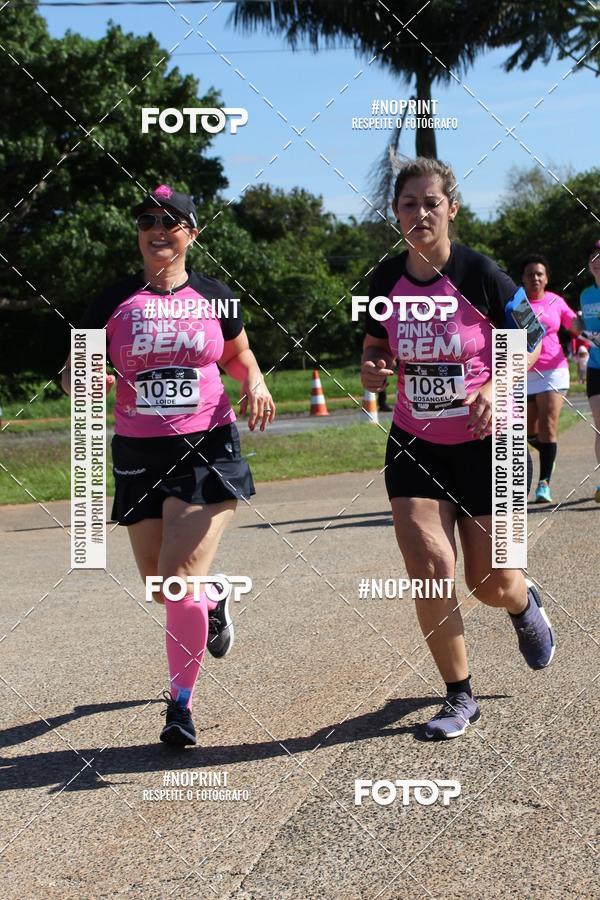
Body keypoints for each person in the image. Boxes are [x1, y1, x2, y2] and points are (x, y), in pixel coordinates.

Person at [61, 185, 275, 747]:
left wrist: (253, 382)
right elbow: (71, 371)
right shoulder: (110, 300)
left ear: (192, 233)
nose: (159, 228)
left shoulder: (215, 297)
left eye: (172, 220)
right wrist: (83, 378)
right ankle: (216, 595)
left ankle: (179, 707)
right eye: (148, 220)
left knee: (177, 584)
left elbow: (238, 354)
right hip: (138, 453)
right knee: (163, 588)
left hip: (207, 447)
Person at [360, 157, 550, 741]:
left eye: (431, 202)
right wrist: (372, 370)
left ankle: (522, 602)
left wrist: (494, 384)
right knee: (429, 569)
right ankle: (458, 695)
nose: (421, 213)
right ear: (396, 214)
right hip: (415, 443)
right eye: (409, 204)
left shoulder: (482, 274)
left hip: (486, 445)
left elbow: (533, 338)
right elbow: (372, 346)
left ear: (452, 208)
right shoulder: (384, 282)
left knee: (490, 583)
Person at [521, 254, 580, 503]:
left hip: (553, 371)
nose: (535, 277)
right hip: (523, 372)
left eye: (539, 274)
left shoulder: (556, 301)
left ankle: (543, 483)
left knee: (548, 426)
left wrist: (584, 324)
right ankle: (548, 454)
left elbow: (574, 324)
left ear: (546, 279)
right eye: (530, 274)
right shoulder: (515, 303)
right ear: (522, 279)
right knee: (527, 431)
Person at [579, 239, 600, 502]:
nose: (597, 261)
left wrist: (581, 332)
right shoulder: (585, 295)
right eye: (594, 257)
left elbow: (585, 332)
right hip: (596, 368)